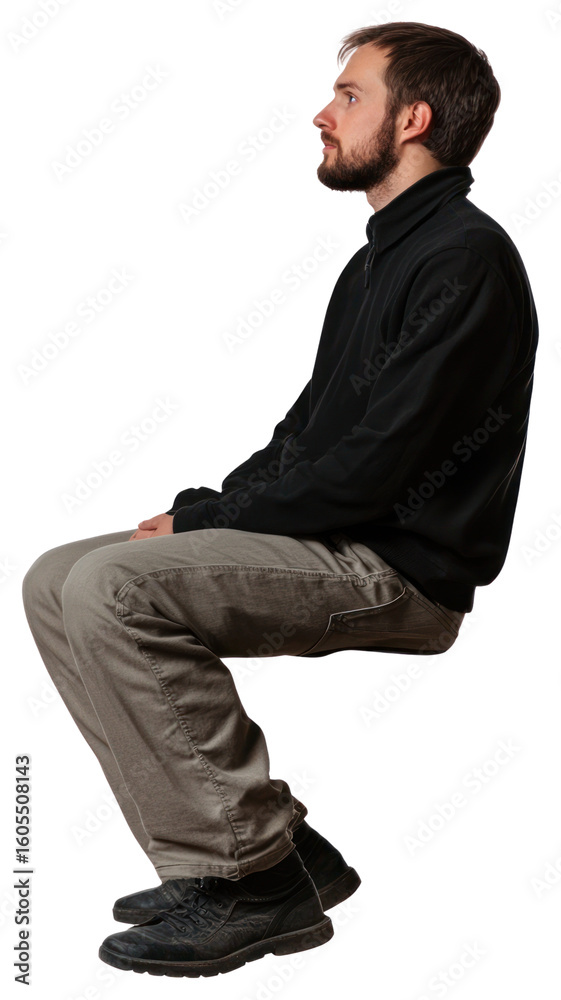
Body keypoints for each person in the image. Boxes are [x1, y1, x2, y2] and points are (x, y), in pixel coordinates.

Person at [22, 20, 538, 979]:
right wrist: (201, 507)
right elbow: (306, 438)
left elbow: (373, 471)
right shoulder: (381, 259)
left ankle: (251, 880)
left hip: (398, 571)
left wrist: (208, 524)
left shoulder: (463, 259)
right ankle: (280, 851)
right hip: (339, 539)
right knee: (56, 579)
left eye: (349, 96)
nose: (321, 115)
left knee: (110, 589)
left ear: (413, 120)